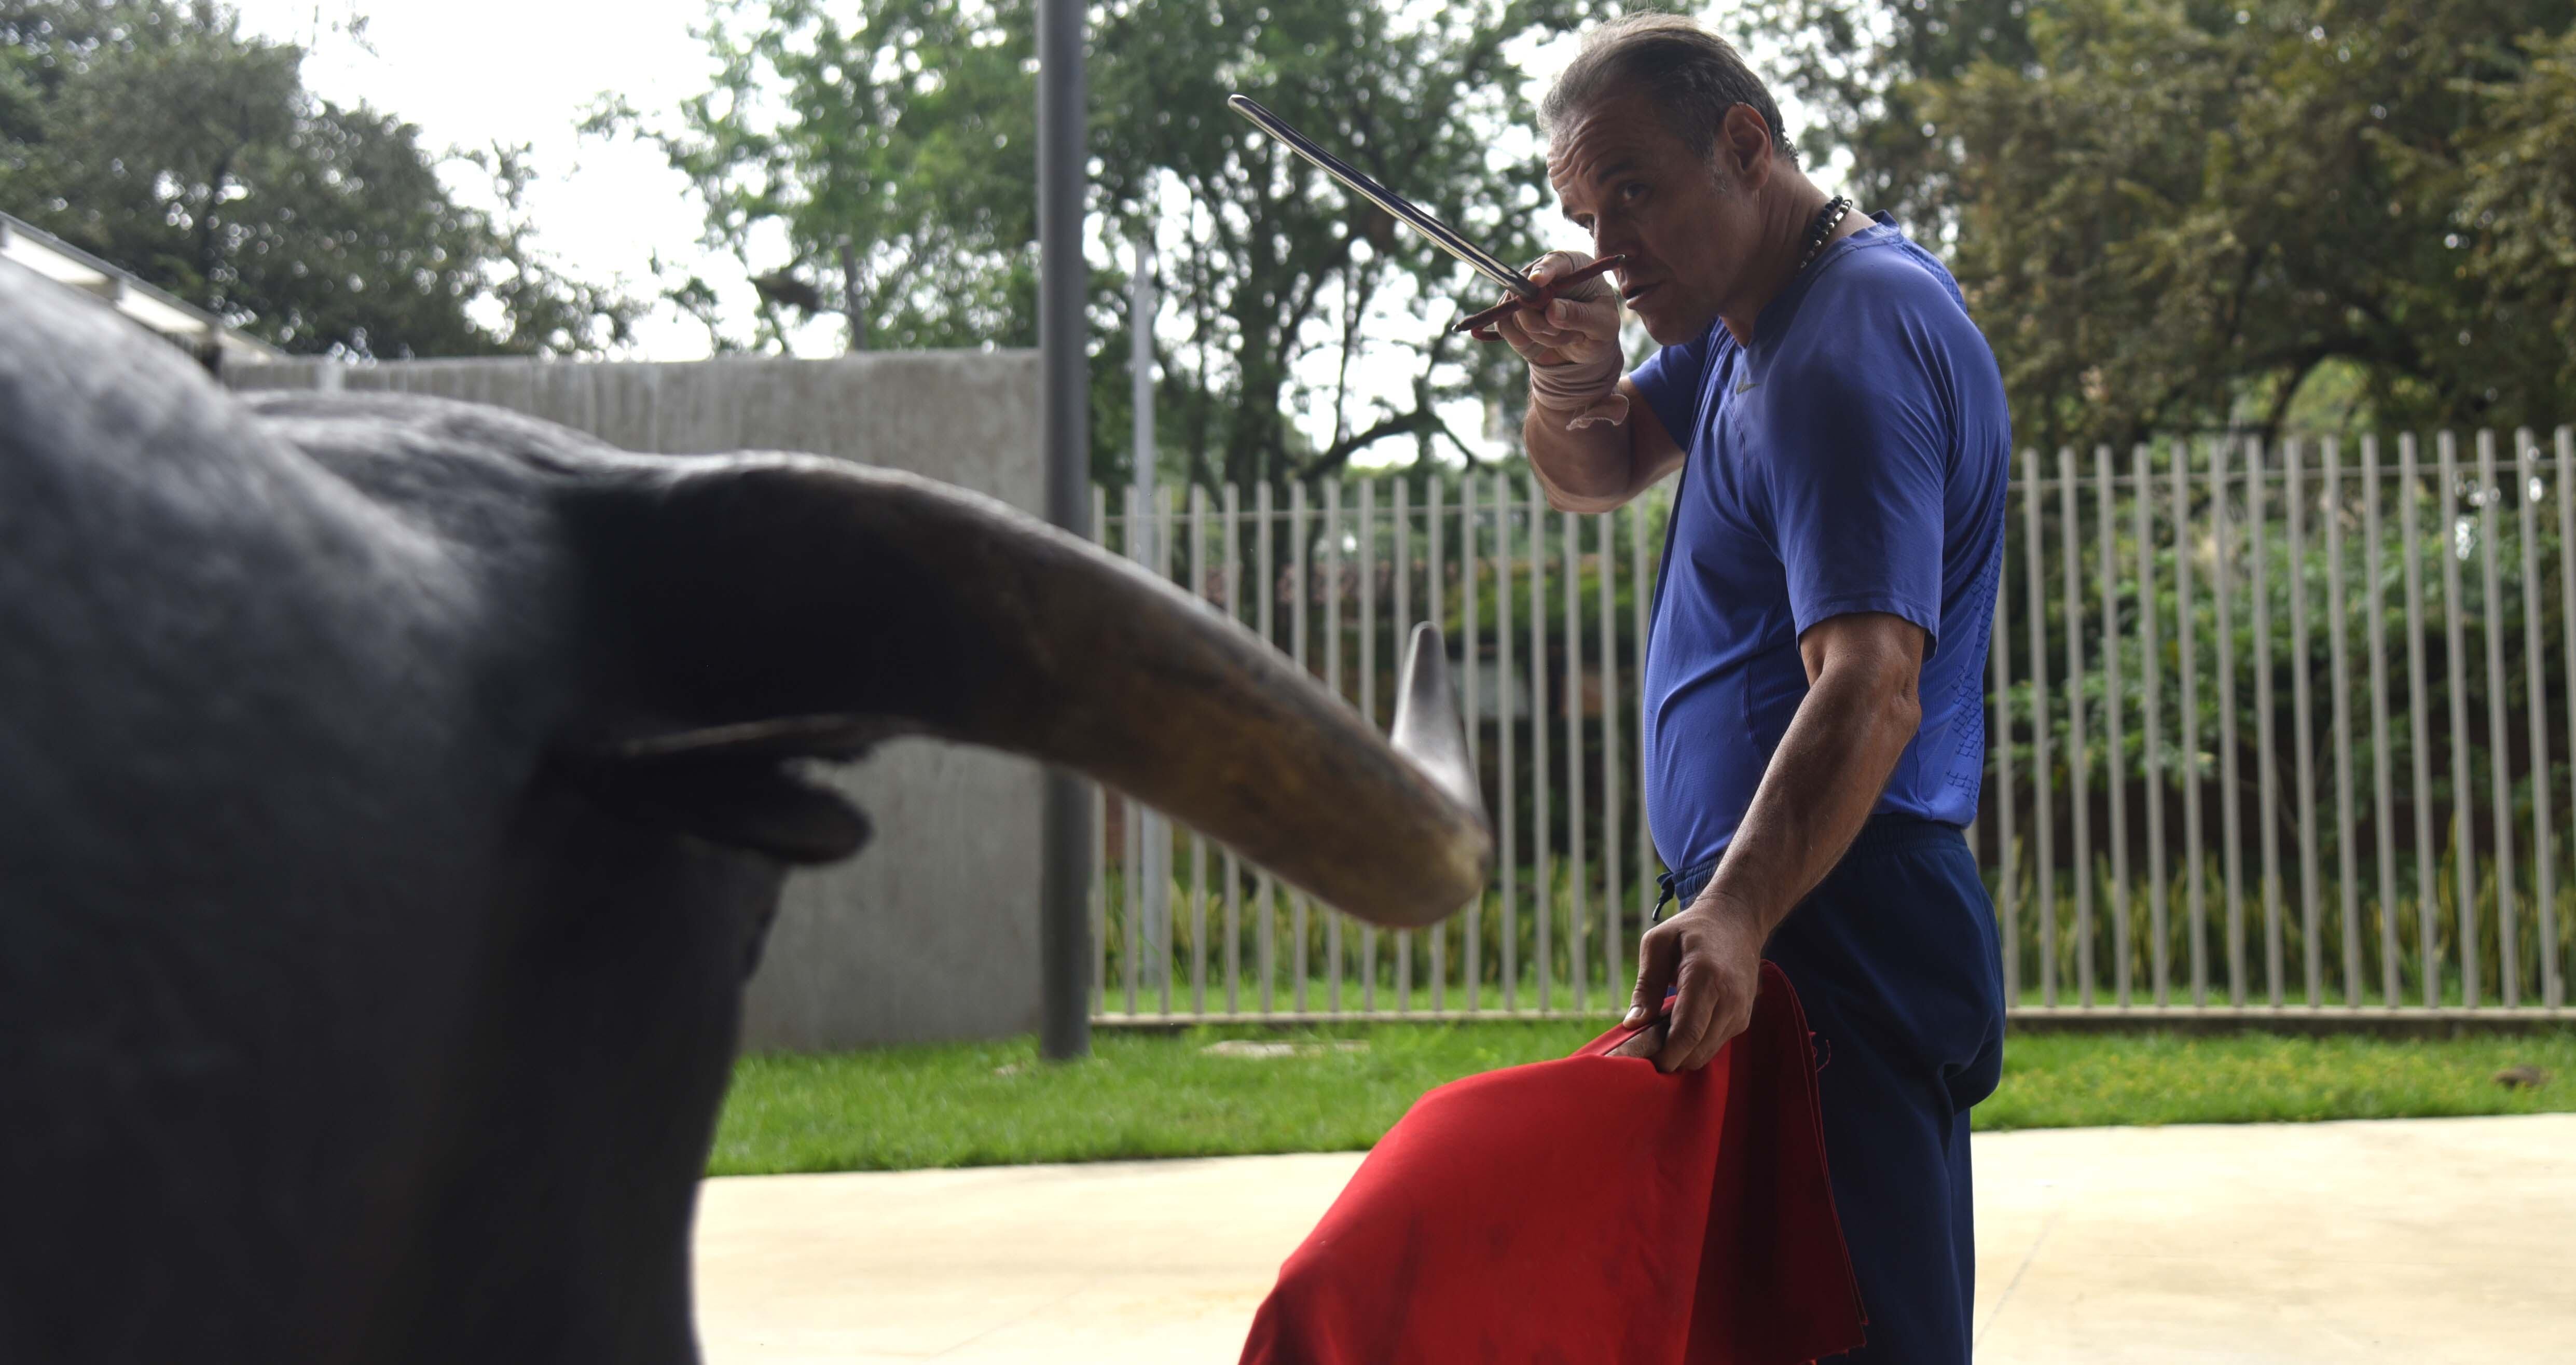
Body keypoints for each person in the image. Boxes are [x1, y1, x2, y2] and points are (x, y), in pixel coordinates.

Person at [1479, 15, 2013, 1363]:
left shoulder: (1848, 338)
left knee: (1856, 1337)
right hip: (1790, 918)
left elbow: (1875, 684)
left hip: (1831, 917)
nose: (1610, 247)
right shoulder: (1750, 322)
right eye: (1585, 214)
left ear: (1745, 143)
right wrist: (1569, 373)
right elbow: (1597, 470)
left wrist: (1736, 912)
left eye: (1635, 194)